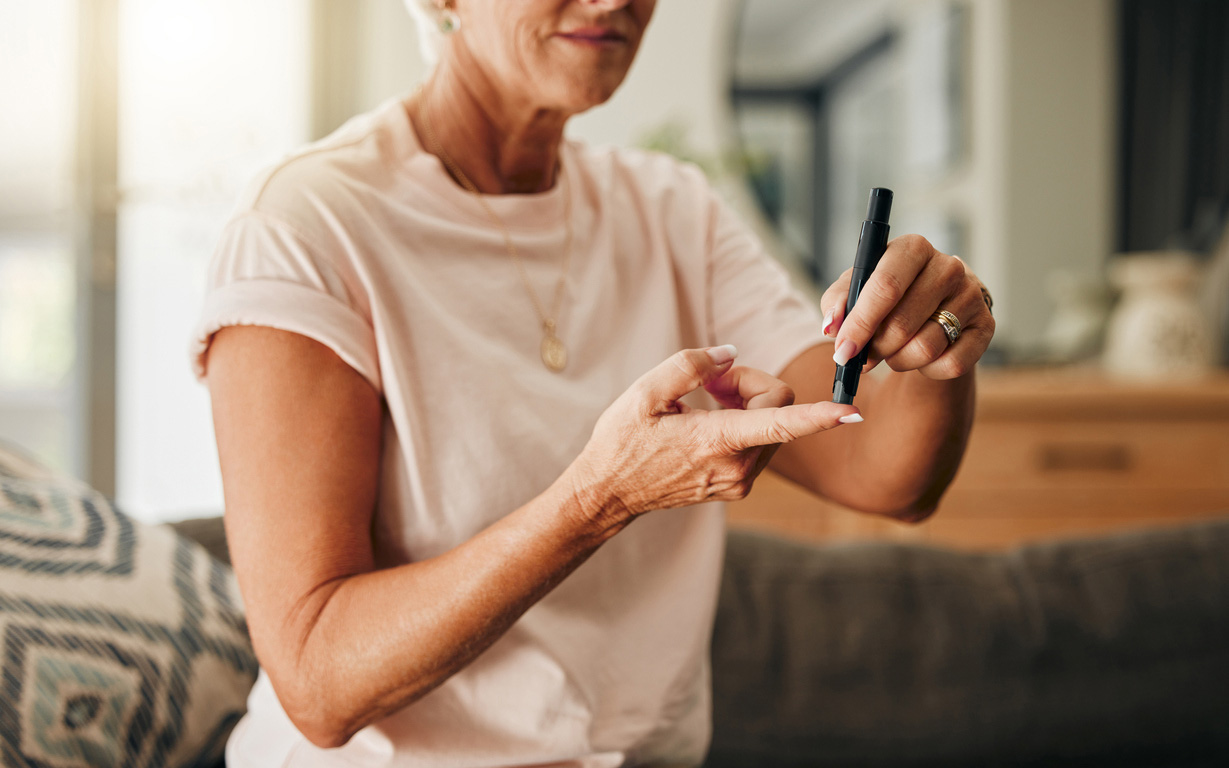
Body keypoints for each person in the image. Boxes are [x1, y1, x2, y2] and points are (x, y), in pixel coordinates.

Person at [190, 0, 995, 765]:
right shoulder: (303, 226)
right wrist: (598, 500)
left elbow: (887, 475)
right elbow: (319, 682)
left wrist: (937, 348)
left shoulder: (672, 210)